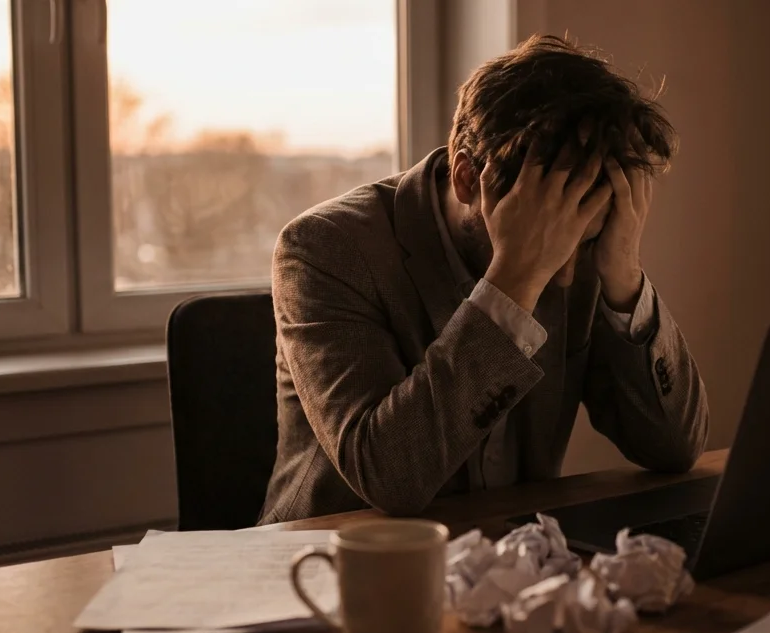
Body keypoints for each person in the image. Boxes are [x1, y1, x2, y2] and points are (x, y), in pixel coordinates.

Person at [259, 35, 709, 523]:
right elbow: (389, 478)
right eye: (555, 232)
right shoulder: (325, 247)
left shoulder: (585, 246)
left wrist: (623, 272)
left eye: (583, 236)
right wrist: (514, 282)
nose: (566, 266)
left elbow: (675, 449)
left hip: (508, 561)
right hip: (330, 566)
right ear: (467, 178)